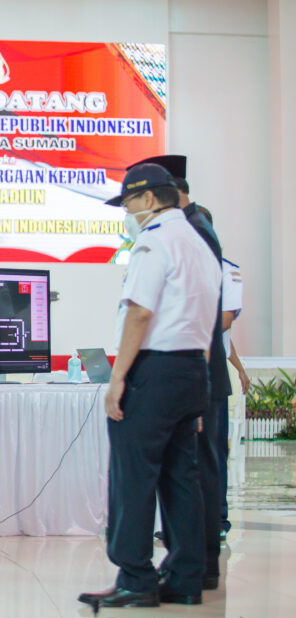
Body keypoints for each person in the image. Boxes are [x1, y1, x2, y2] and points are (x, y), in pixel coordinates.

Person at [79, 164, 220, 608]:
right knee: (183, 478)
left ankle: (135, 577)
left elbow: (140, 313)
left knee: (134, 475)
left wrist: (118, 378)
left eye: (127, 203)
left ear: (148, 199)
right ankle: (184, 578)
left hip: (154, 373)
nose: (126, 211)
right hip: (194, 370)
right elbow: (210, 322)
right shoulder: (201, 245)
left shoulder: (153, 242)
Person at [136, 155, 226, 590]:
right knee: (186, 472)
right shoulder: (189, 229)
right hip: (193, 368)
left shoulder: (192, 230)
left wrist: (202, 382)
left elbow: (203, 311)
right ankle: (189, 565)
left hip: (191, 365)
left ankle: (200, 564)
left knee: (195, 472)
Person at [219, 256, 246, 537]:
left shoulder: (228, 271)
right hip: (184, 376)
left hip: (212, 376)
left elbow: (225, 325)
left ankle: (218, 520)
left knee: (215, 451)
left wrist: (240, 371)